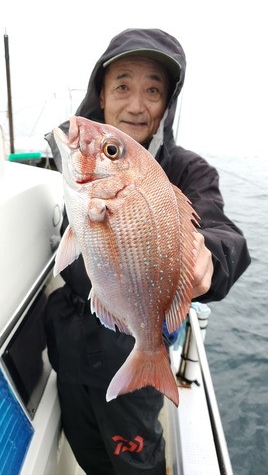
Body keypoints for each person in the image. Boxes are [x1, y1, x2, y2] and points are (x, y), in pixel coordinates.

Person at [44, 28, 251, 475]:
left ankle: (149, 360)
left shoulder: (186, 170)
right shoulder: (79, 157)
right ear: (101, 91)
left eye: (153, 90)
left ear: (168, 102)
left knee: (138, 466)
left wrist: (209, 258)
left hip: (130, 351)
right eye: (123, 85)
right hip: (67, 352)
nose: (136, 105)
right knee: (86, 454)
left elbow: (225, 234)